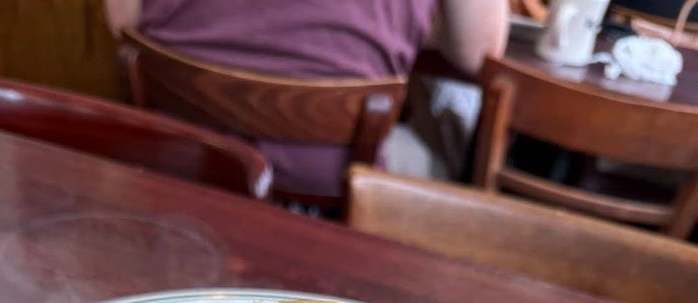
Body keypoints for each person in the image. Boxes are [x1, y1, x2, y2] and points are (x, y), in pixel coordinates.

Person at [104, 0, 508, 198]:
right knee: (445, 154)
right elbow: (479, 52)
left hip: (174, 160)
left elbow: (120, 22)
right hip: (327, 185)